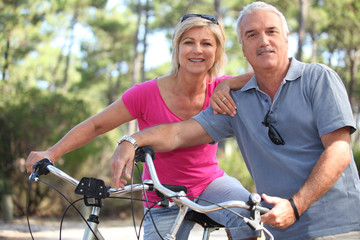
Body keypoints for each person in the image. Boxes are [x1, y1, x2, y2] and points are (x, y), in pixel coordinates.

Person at [111, 2, 360, 240]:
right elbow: (178, 133)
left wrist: (296, 206)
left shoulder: (318, 78)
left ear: (286, 37)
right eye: (252, 35)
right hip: (281, 232)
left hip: (339, 227)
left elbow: (339, 150)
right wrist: (131, 140)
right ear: (243, 48)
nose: (263, 41)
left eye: (271, 31)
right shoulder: (236, 102)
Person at [26, 14, 257, 240]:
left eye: (206, 43)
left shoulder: (221, 89)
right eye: (189, 42)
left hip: (210, 183)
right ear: (177, 49)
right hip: (161, 194)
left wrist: (228, 82)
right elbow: (96, 125)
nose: (197, 50)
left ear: (216, 52)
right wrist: (51, 153)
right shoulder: (145, 93)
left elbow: (269, 75)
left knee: (249, 214)